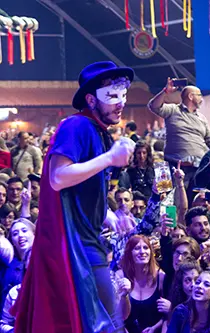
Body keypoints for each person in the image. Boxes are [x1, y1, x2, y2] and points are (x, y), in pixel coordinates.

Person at [14, 61, 135, 333]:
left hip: (86, 240)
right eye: (112, 96)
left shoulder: (96, 131)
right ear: (91, 100)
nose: (120, 103)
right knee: (108, 325)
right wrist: (109, 158)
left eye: (123, 96)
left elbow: (77, 186)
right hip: (77, 246)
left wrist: (106, 214)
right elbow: (58, 178)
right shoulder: (77, 126)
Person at [147, 79, 210, 188]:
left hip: (197, 168)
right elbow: (153, 106)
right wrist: (165, 91)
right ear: (191, 96)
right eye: (199, 95)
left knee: (193, 201)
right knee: (165, 200)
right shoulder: (173, 109)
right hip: (170, 166)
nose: (202, 98)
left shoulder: (202, 118)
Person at [118, 235, 167, 333]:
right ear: (129, 253)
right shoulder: (120, 276)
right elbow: (120, 315)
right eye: (137, 248)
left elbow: (168, 313)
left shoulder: (160, 276)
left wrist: (154, 328)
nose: (142, 252)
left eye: (146, 248)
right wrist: (124, 295)